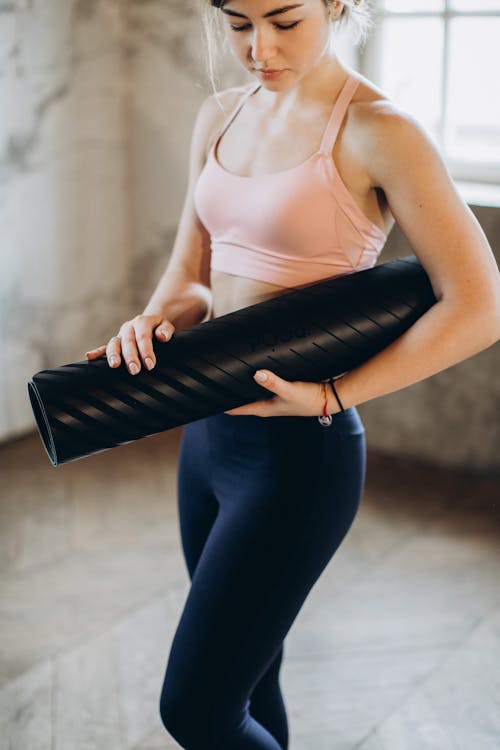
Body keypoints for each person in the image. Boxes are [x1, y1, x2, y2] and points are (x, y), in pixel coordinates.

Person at [85, 1, 500, 747]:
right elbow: (192, 275)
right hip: (207, 441)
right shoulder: (218, 115)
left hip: (300, 459)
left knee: (195, 709)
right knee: (249, 674)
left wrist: (335, 393)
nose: (258, 48)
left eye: (283, 20)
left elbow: (479, 306)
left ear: (337, 5)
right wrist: (151, 321)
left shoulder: (380, 131)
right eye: (238, 24)